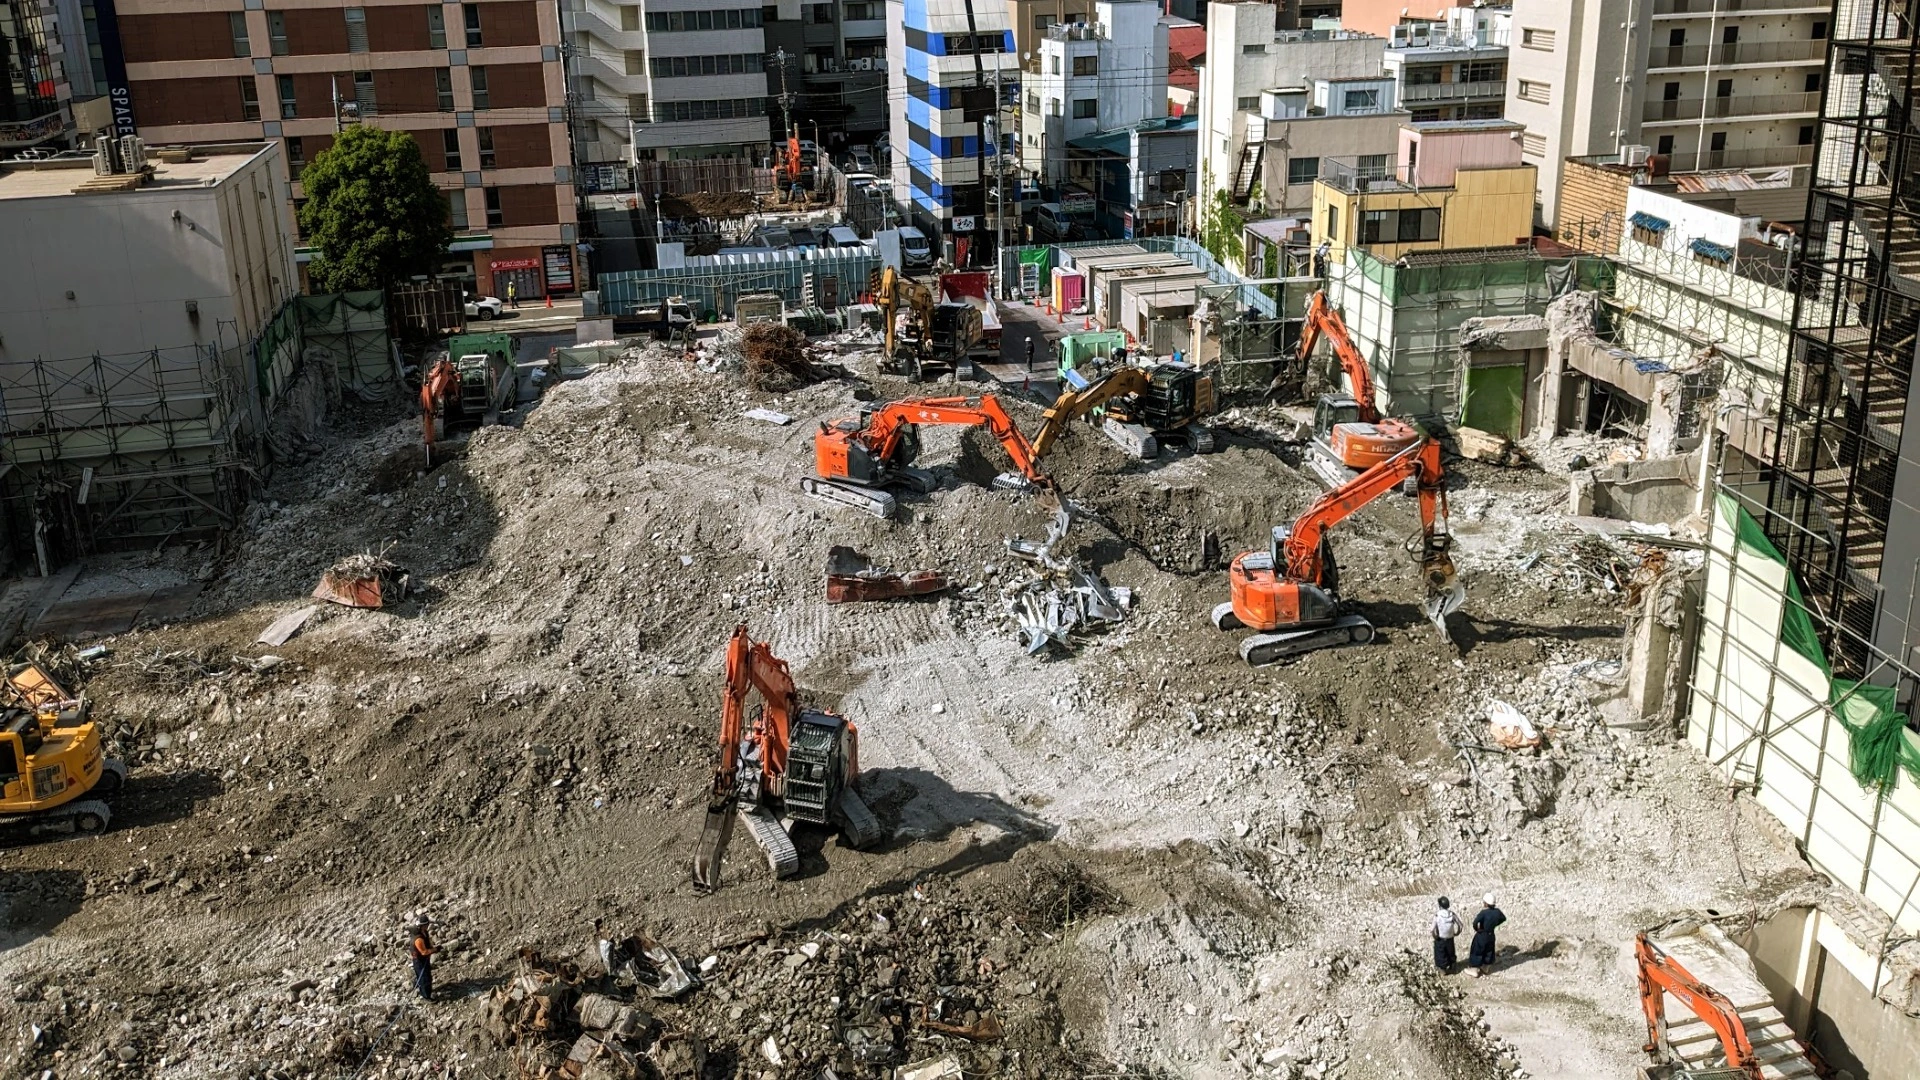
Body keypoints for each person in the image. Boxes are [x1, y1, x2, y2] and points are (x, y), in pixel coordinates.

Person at [1467, 894, 1506, 977]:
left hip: (1482, 934)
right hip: (1491, 934)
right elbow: (1503, 918)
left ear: (1486, 903)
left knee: (1477, 950)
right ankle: (1485, 967)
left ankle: (1474, 969)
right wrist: (1495, 924)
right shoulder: (1497, 912)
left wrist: (1477, 929)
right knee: (1489, 950)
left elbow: (1475, 923)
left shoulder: (1483, 913)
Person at [1431, 897, 1463, 973]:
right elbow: (1460, 925)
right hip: (1450, 937)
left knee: (1440, 953)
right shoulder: (1452, 914)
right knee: (1451, 952)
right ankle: (1453, 966)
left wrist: (1435, 936)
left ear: (1440, 906)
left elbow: (1432, 929)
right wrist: (1457, 933)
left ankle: (1443, 969)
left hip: (1441, 938)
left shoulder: (1437, 915)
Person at [410, 918, 436, 1001]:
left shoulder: (424, 933)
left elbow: (427, 943)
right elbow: (424, 952)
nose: (428, 926)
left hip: (424, 959)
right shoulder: (418, 939)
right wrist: (435, 950)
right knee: (424, 978)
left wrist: (431, 947)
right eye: (426, 925)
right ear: (422, 926)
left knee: (426, 975)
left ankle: (420, 987)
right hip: (419, 961)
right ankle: (426, 996)